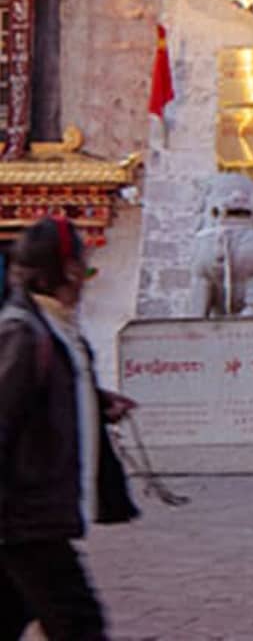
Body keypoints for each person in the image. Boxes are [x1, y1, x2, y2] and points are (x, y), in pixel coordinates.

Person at [0, 215, 138, 641]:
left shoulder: (54, 328)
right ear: (69, 269)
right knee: (79, 624)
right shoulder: (23, 333)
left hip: (30, 515)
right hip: (24, 515)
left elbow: (50, 392)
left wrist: (95, 403)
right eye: (82, 267)